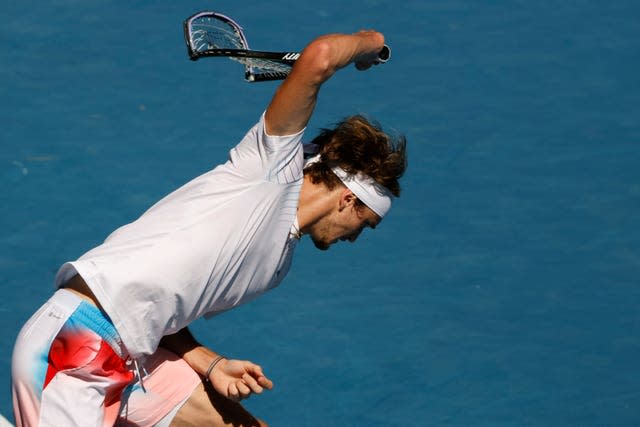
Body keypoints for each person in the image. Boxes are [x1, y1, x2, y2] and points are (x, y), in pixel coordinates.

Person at [11, 29, 407, 427]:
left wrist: (211, 363)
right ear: (348, 199)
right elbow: (320, 56)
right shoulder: (269, 169)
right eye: (365, 225)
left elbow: (161, 308)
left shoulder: (276, 266)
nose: (356, 238)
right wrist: (369, 44)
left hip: (133, 353)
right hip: (77, 345)